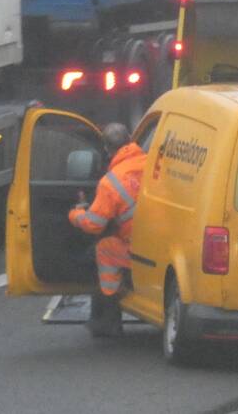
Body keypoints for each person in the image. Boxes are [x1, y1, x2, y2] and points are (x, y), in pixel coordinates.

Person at [69, 123, 147, 337]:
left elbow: (94, 224)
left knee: (104, 248)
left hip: (138, 250)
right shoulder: (153, 163)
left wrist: (76, 213)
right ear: (131, 139)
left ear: (106, 149)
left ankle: (107, 317)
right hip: (162, 243)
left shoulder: (110, 182)